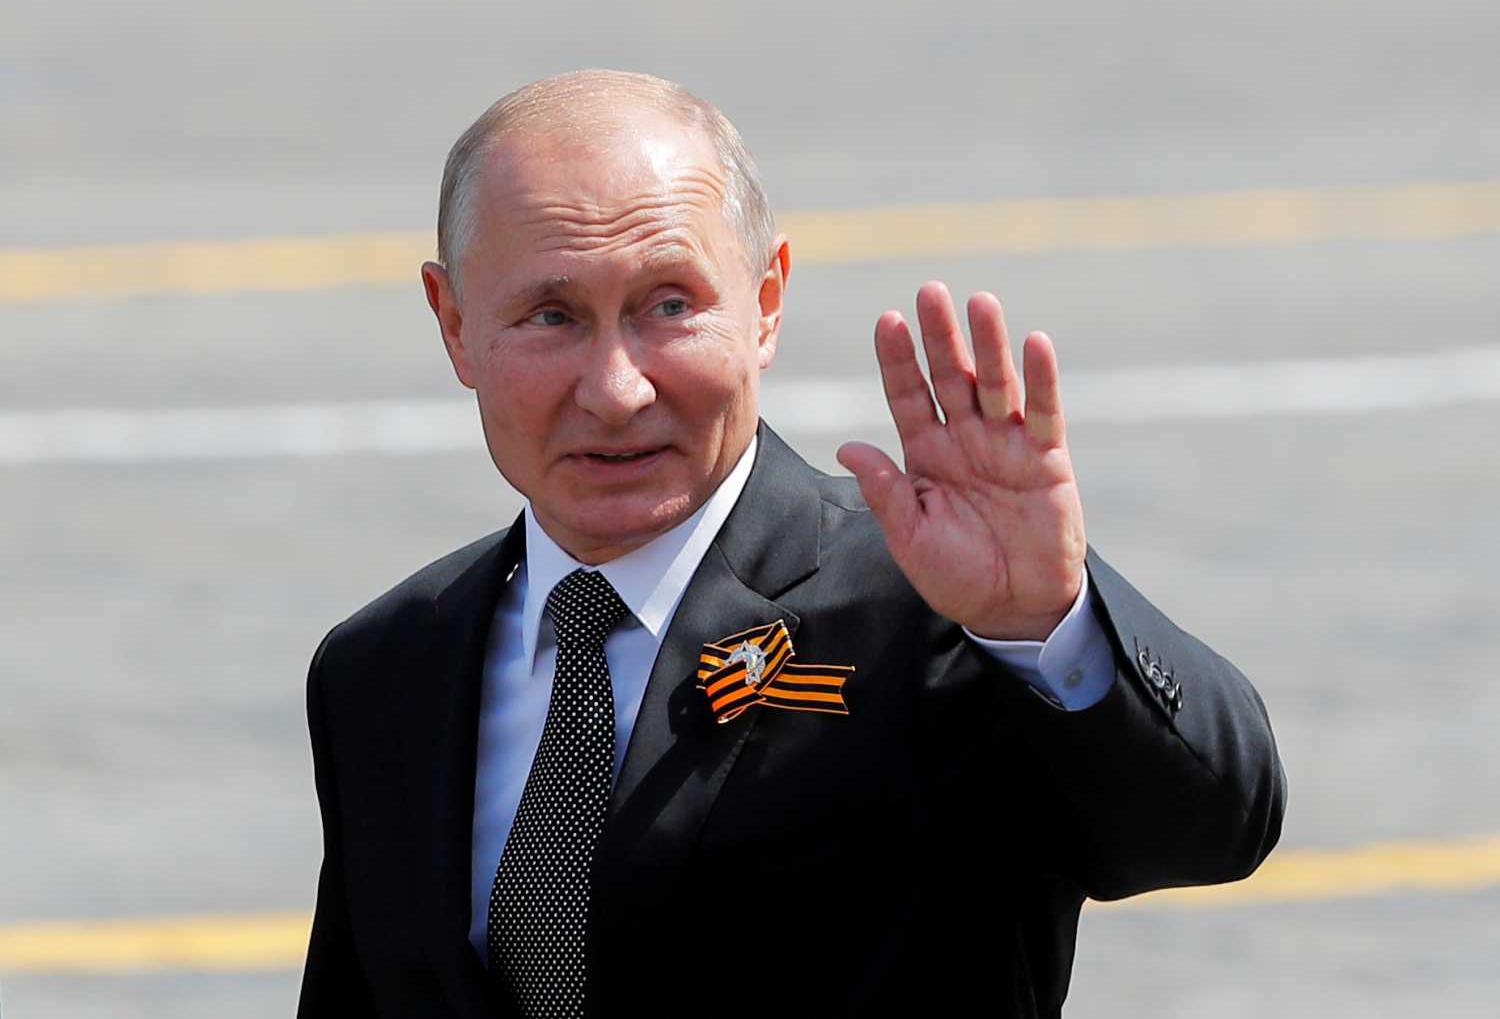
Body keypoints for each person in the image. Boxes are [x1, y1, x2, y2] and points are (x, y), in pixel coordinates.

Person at [297, 69, 1286, 1019]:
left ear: (766, 301)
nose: (618, 387)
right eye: (552, 315)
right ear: (456, 324)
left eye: (670, 306)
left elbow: (1211, 827)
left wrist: (1045, 618)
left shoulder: (932, 605)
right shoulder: (385, 668)